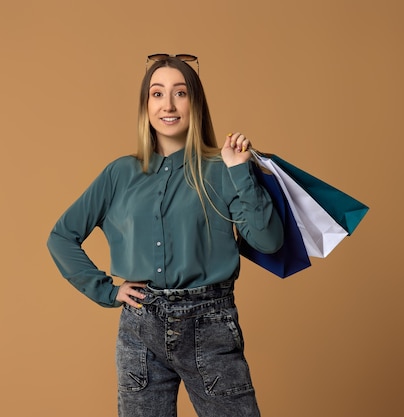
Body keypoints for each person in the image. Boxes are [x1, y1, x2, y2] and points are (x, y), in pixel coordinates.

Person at [46, 54, 284, 417]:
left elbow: (269, 241)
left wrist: (240, 172)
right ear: (146, 106)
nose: (168, 105)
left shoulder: (222, 169)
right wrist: (108, 291)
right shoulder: (120, 174)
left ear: (196, 104)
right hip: (141, 328)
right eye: (157, 94)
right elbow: (62, 236)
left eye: (180, 93)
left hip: (210, 324)